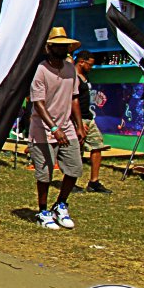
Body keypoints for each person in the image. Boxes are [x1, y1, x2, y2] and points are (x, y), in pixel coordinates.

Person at [29, 27, 86, 230]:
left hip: (67, 126)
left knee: (74, 168)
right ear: (50, 47)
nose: (62, 50)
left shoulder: (70, 69)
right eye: (58, 46)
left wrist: (79, 126)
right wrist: (54, 128)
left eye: (65, 46)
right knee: (45, 174)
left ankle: (61, 204)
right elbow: (39, 104)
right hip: (43, 129)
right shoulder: (41, 71)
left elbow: (74, 99)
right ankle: (43, 210)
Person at [74, 50, 112, 193]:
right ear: (81, 62)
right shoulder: (73, 78)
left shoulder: (85, 77)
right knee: (76, 150)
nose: (91, 67)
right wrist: (78, 123)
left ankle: (94, 182)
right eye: (90, 64)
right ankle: (70, 181)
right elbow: (70, 102)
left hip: (88, 118)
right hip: (78, 119)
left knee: (97, 146)